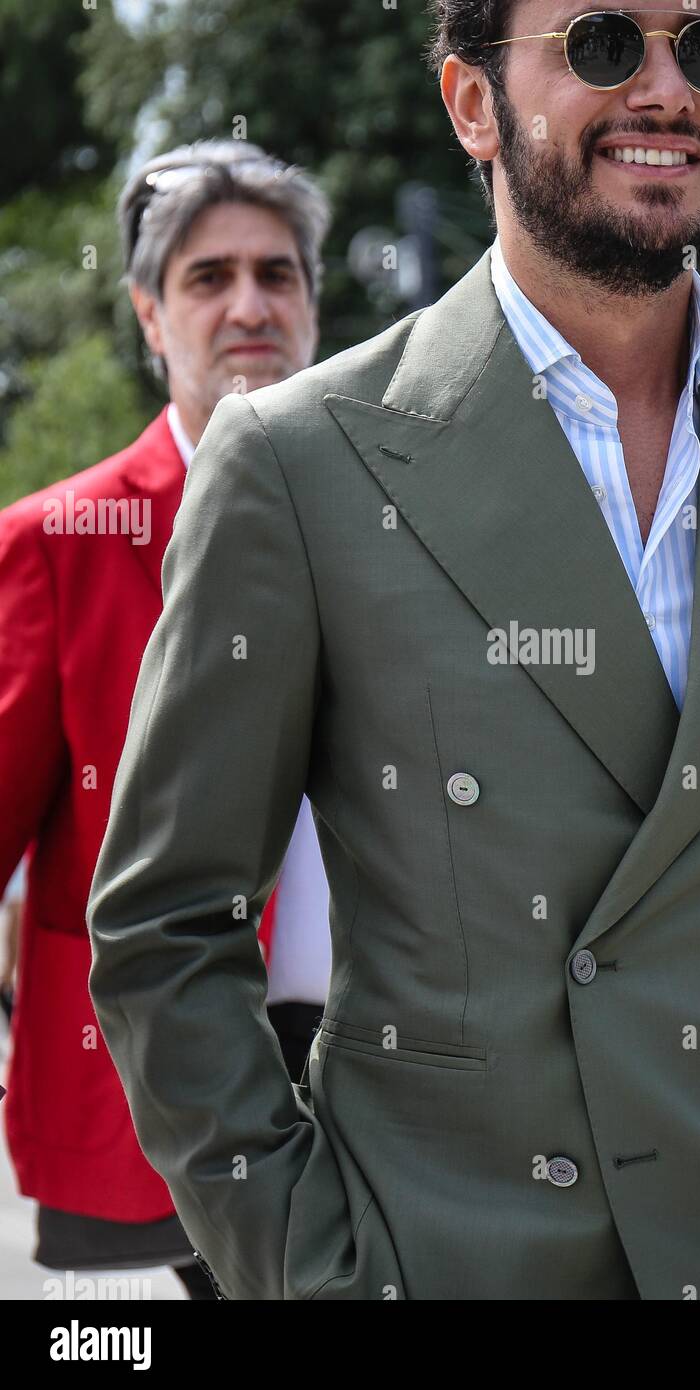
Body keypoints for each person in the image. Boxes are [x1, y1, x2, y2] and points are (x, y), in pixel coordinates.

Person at [87, 2, 700, 1299]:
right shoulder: (302, 464)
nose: (663, 88)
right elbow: (163, 926)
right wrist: (313, 1271)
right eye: (601, 43)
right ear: (472, 105)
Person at [0, 139, 332, 1298]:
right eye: (207, 277)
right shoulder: (53, 545)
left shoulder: (390, 518)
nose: (249, 305)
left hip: (377, 1089)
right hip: (149, 1100)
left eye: (278, 273)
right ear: (149, 314)